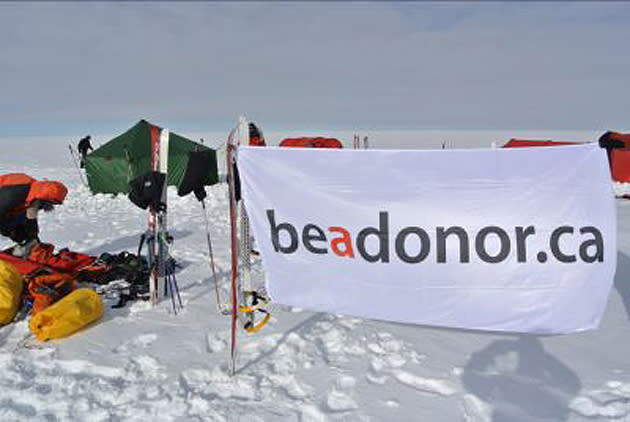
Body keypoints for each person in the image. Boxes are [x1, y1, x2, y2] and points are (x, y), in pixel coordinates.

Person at [0, 173, 67, 258]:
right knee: (9, 228)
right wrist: (7, 230)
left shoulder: (35, 195)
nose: (48, 205)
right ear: (45, 197)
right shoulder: (17, 191)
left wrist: (33, 240)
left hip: (8, 209)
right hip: (3, 207)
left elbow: (30, 218)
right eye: (49, 202)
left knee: (21, 231)